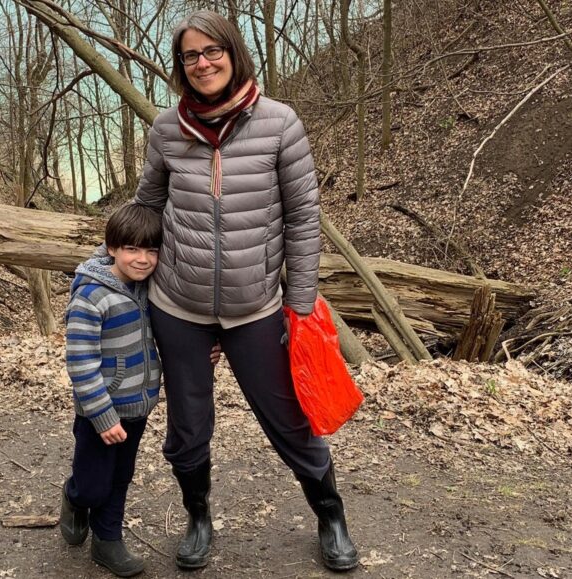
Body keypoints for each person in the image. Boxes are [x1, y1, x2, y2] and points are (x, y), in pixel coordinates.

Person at [133, 9, 359, 573]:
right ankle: (199, 517)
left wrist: (300, 304)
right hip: (177, 305)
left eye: (213, 52)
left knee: (289, 420)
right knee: (187, 429)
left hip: (256, 306)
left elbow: (305, 220)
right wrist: (109, 267)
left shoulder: (280, 123)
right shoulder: (166, 129)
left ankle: (330, 515)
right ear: (180, 67)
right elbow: (147, 208)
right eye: (191, 55)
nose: (203, 63)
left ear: (234, 55)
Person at [59, 203, 163, 578]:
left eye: (152, 251)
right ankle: (74, 498)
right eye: (133, 249)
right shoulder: (92, 296)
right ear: (112, 249)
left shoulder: (149, 290)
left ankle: (107, 542)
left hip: (138, 407)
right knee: (92, 485)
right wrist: (102, 415)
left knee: (120, 478)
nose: (143, 259)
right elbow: (81, 362)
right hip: (99, 414)